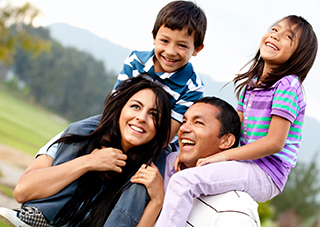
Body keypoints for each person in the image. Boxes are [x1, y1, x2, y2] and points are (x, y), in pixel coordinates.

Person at [0, 1, 207, 226]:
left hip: (156, 142)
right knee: (83, 132)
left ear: (197, 49)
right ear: (154, 37)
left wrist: (134, 159)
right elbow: (116, 103)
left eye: (182, 46)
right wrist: (105, 144)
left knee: (144, 175)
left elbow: (166, 132)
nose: (170, 51)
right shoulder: (137, 59)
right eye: (165, 41)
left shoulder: (192, 85)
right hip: (115, 122)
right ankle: (40, 214)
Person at [155, 15, 318, 226]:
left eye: (288, 36)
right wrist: (192, 153)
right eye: (274, 30)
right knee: (171, 162)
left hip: (266, 172)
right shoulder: (253, 83)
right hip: (245, 162)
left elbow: (274, 142)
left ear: (300, 54)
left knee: (185, 180)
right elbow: (233, 129)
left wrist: (222, 158)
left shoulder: (288, 86)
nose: (275, 36)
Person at [0, 76, 172, 227]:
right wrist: (89, 162)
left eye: (153, 115)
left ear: (159, 129)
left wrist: (157, 202)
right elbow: (22, 191)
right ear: (120, 110)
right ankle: (38, 217)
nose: (141, 118)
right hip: (49, 219)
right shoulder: (82, 135)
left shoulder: (149, 175)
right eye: (135, 107)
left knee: (141, 182)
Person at [154, 96, 260, 226]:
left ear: (226, 141)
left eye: (198, 123)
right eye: (184, 121)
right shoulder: (161, 176)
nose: (183, 129)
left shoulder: (235, 209)